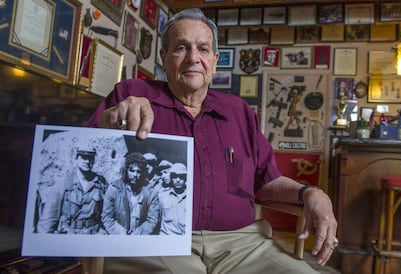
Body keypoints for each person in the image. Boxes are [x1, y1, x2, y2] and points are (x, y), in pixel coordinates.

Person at [89, 8, 337, 273]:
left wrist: (311, 192)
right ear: (164, 57)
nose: (193, 58)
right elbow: (89, 159)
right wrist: (112, 122)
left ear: (215, 60)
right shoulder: (131, 93)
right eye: (181, 48)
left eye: (203, 49)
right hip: (157, 240)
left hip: (244, 245)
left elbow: (267, 181)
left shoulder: (239, 112)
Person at [102, 152, 160, 235]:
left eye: (138, 171)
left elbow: (152, 220)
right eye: (132, 171)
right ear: (126, 170)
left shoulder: (151, 193)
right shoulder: (114, 189)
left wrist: (137, 235)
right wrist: (120, 233)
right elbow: (107, 217)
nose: (135, 175)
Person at [57, 144, 107, 234]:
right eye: (84, 157)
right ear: (76, 159)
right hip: (69, 233)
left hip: (94, 233)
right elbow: (49, 219)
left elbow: (107, 211)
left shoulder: (101, 182)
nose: (87, 161)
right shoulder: (64, 182)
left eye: (91, 157)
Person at [158, 162, 187, 235]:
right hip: (166, 237)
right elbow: (158, 219)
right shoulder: (162, 196)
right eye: (175, 176)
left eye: (181, 177)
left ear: (185, 178)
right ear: (171, 178)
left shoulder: (190, 197)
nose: (178, 180)